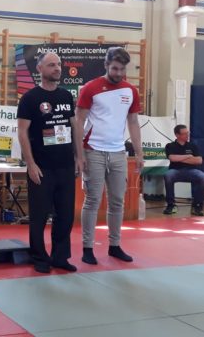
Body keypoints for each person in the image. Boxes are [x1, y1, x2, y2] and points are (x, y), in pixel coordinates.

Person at [75, 46, 144, 265]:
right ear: (106, 65)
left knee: (117, 201)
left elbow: (133, 122)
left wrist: (139, 153)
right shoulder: (91, 88)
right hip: (93, 150)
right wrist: (79, 155)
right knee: (92, 200)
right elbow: (78, 121)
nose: (118, 73)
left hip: (118, 153)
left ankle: (115, 245)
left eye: (122, 69)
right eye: (114, 68)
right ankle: (87, 247)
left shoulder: (130, 91)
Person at [17, 53, 81, 273]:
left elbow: (73, 126)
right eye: (52, 65)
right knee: (39, 215)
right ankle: (39, 257)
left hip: (65, 165)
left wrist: (79, 157)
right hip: (42, 167)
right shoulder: (30, 98)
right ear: (40, 68)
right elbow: (22, 132)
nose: (57, 68)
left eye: (59, 64)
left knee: (65, 215)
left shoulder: (66, 96)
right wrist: (31, 164)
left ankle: (60, 257)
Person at [163, 124, 204, 216]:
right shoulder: (170, 146)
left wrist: (179, 158)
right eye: (184, 133)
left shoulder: (192, 146)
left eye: (188, 133)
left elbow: (199, 160)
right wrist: (188, 156)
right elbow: (172, 158)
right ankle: (171, 205)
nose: (187, 135)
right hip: (175, 170)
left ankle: (197, 205)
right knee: (168, 175)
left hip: (191, 171)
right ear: (177, 135)